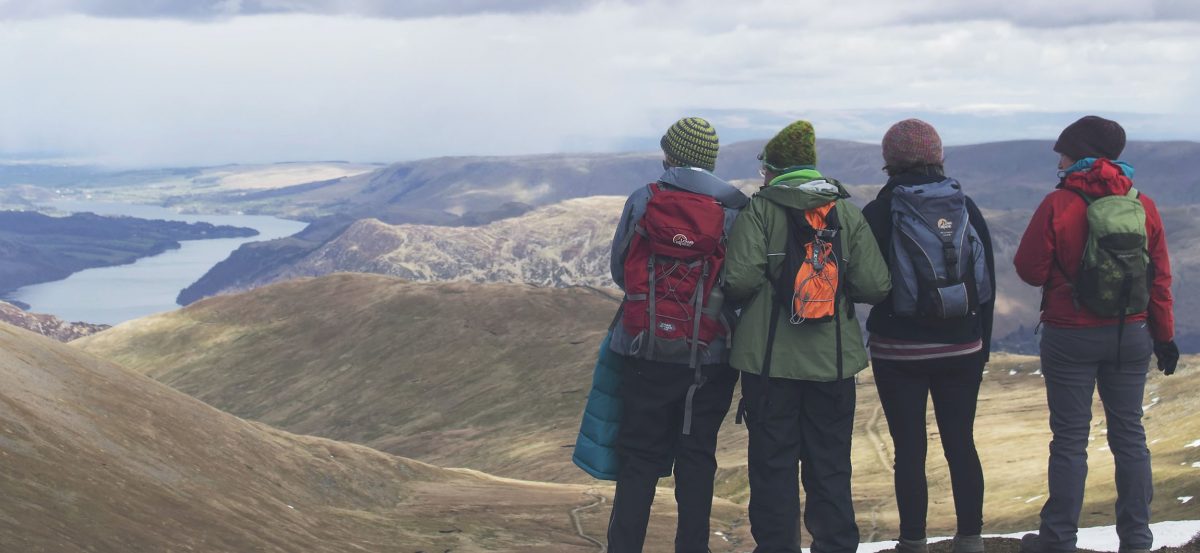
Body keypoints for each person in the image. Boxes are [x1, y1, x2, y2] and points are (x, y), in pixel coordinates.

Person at [1013, 115, 1179, 553]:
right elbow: (1160, 278)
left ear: (1079, 155)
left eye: (1063, 154)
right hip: (1131, 333)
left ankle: (1058, 540)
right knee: (1130, 436)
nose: (1059, 162)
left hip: (1070, 334)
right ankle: (1137, 540)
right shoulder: (1143, 204)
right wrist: (1164, 337)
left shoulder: (1059, 203)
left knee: (1070, 440)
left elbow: (1029, 270)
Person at [724, 120, 891, 553]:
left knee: (772, 466)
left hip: (768, 366)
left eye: (764, 169)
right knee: (829, 465)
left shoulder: (760, 211)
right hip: (832, 365)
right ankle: (835, 545)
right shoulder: (846, 213)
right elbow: (875, 286)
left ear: (774, 170)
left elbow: (739, 281)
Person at [606, 116, 749, 553]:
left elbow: (620, 270)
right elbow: (740, 283)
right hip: (709, 356)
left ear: (669, 154)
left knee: (639, 459)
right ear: (711, 159)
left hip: (643, 350)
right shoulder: (735, 209)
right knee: (697, 456)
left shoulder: (644, 199)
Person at [861, 119, 995, 553]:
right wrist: (981, 347)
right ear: (938, 156)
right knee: (961, 443)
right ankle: (970, 539)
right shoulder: (965, 207)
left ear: (890, 161)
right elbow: (986, 284)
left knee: (909, 449)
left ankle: (913, 541)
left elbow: (865, 284)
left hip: (899, 351)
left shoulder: (878, 213)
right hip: (962, 347)